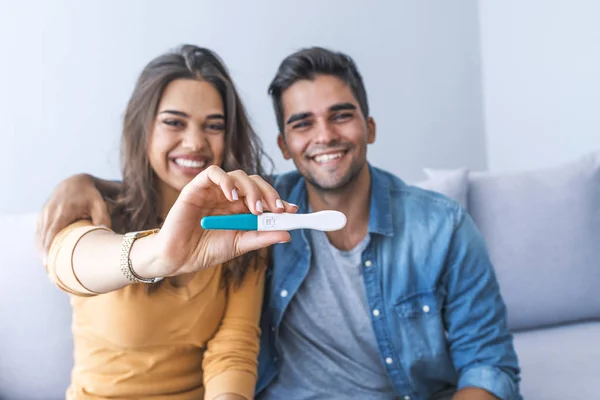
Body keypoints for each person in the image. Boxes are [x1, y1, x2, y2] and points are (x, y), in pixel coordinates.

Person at [36, 47, 522, 400]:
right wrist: (98, 195)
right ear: (284, 144)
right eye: (303, 123)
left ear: (369, 127)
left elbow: (234, 351)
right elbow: (77, 258)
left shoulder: (253, 219)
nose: (325, 136)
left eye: (213, 124)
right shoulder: (107, 209)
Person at [37, 44, 297, 400]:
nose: (194, 142)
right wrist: (159, 252)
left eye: (214, 126)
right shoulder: (93, 204)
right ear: (143, 127)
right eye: (174, 122)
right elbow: (68, 264)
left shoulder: (238, 224)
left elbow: (231, 351)